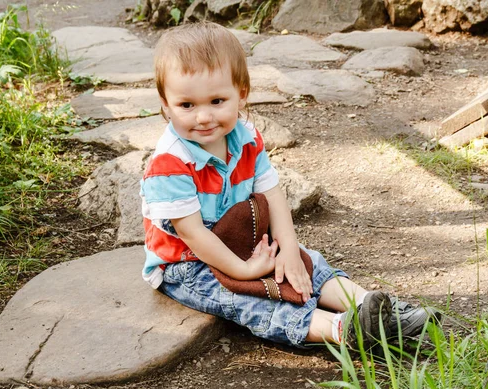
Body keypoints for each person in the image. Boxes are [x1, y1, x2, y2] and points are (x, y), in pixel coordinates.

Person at [140, 21, 438, 350]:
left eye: (216, 101)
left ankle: (381, 311)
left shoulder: (246, 137)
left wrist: (291, 251)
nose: (203, 117)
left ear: (241, 93)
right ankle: (343, 329)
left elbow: (271, 194)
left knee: (308, 264)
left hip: (242, 237)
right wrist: (243, 269)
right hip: (189, 264)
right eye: (186, 105)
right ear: (165, 104)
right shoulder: (170, 164)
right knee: (247, 301)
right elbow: (194, 234)